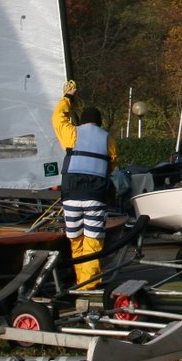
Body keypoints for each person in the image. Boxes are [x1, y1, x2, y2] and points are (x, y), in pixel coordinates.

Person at [62, 105, 118, 290]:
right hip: (95, 194)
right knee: (93, 240)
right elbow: (113, 160)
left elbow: (57, 119)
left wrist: (67, 99)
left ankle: (81, 282)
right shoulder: (107, 137)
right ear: (99, 122)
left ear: (82, 121)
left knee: (76, 240)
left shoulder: (72, 133)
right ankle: (90, 284)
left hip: (71, 194)